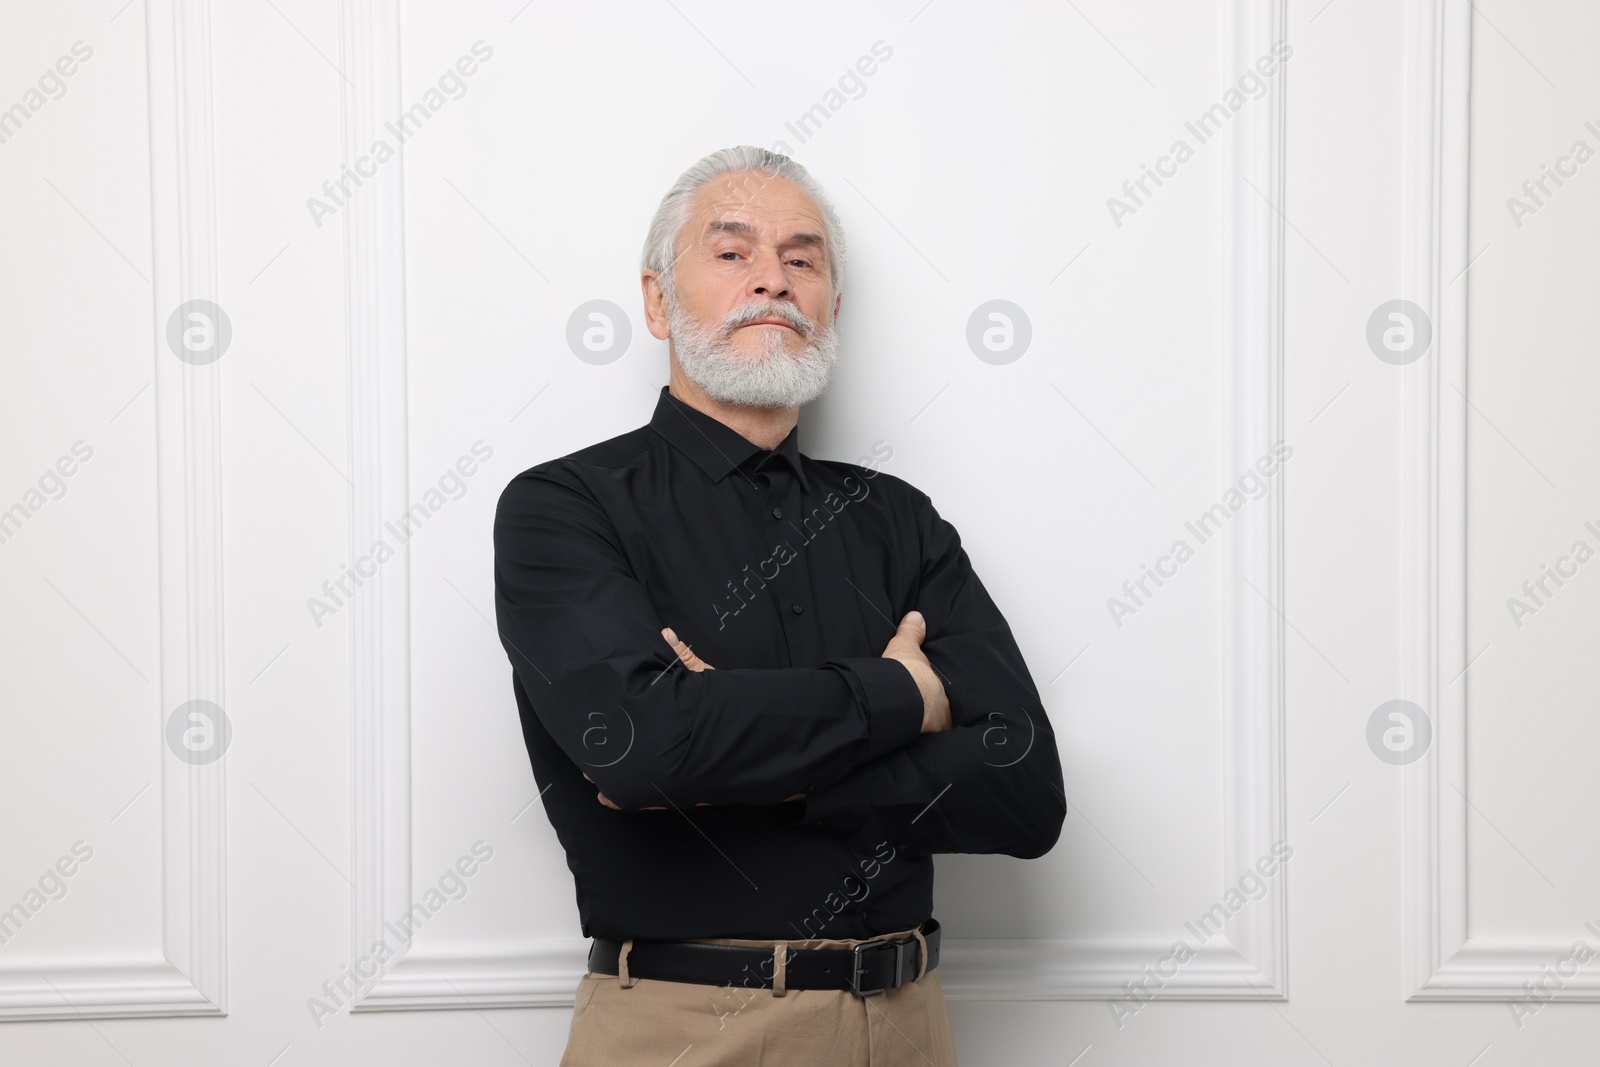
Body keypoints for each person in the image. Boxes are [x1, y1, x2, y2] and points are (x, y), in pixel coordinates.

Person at [493, 145, 1067, 1066]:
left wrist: (750, 763)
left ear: (831, 306)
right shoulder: (564, 506)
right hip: (686, 1030)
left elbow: (1025, 789)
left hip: (912, 1024)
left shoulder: (899, 519)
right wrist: (902, 697)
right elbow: (640, 749)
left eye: (803, 260)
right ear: (655, 302)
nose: (773, 280)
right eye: (732, 254)